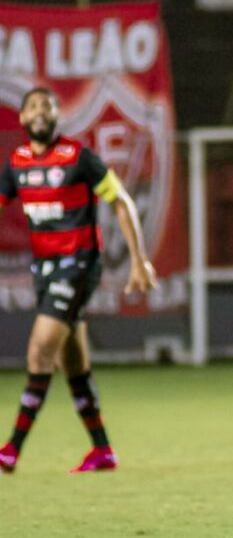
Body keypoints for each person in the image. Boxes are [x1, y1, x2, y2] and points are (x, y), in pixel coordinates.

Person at [0, 86, 157, 474]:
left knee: (40, 351)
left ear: (57, 117)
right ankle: (102, 451)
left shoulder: (78, 157)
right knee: (74, 363)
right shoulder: (16, 163)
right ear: (22, 119)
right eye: (33, 106)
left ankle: (11, 450)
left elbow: (121, 200)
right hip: (45, 270)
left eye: (48, 106)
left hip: (79, 265)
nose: (40, 112)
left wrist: (139, 261)